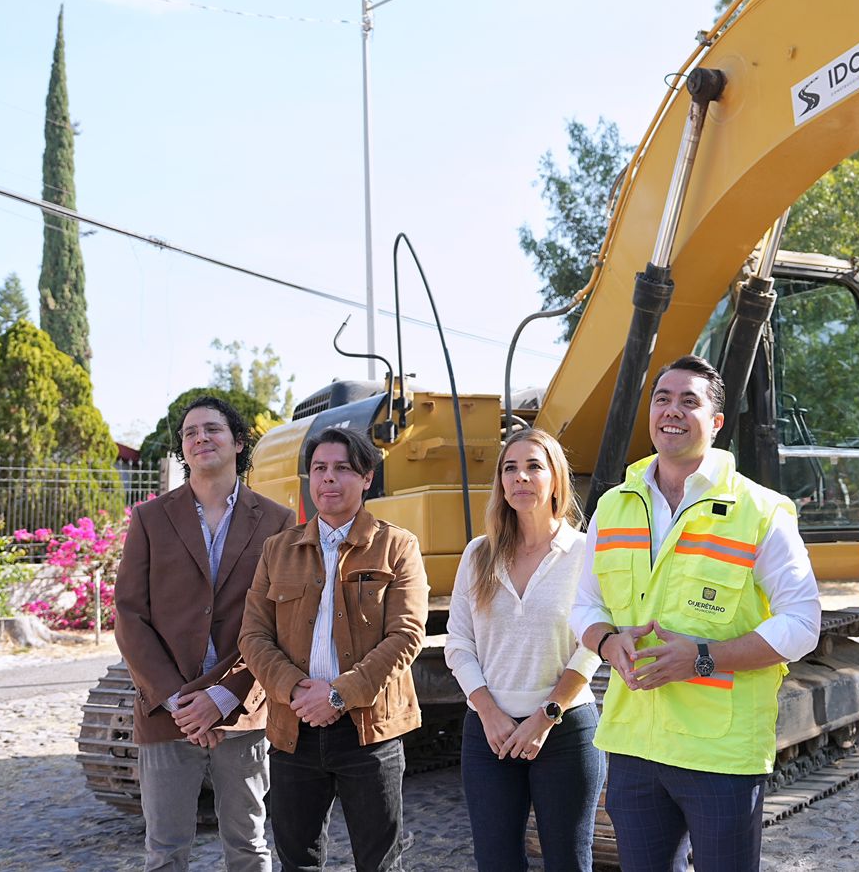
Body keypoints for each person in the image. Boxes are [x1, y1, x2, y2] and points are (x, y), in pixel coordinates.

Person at [570, 354, 822, 872]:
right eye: (662, 398)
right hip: (635, 747)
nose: (672, 410)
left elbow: (802, 623)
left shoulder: (760, 509)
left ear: (717, 421)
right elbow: (584, 605)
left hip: (720, 754)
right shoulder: (614, 505)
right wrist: (605, 641)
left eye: (690, 401)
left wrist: (702, 658)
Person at [114, 394, 294, 872]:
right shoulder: (150, 519)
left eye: (211, 428)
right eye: (190, 432)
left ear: (238, 442)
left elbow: (282, 621)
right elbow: (130, 615)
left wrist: (224, 697)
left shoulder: (278, 521)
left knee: (248, 848)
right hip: (166, 712)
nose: (199, 438)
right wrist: (179, 700)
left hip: (243, 708)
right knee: (166, 852)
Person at [239, 425, 427, 872]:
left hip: (369, 731)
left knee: (379, 863)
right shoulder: (276, 550)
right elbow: (253, 635)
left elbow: (406, 634)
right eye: (319, 468)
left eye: (343, 468)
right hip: (293, 728)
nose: (328, 478)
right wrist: (297, 691)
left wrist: (339, 694)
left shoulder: (397, 546)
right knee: (298, 862)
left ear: (366, 478)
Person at [445, 427, 606, 871]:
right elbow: (458, 643)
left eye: (533, 466)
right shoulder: (479, 554)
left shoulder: (585, 551)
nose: (520, 477)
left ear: (556, 477)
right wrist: (489, 712)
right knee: (496, 863)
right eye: (509, 468)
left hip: (565, 729)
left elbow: (591, 645)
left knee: (568, 862)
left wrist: (546, 715)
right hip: (488, 733)